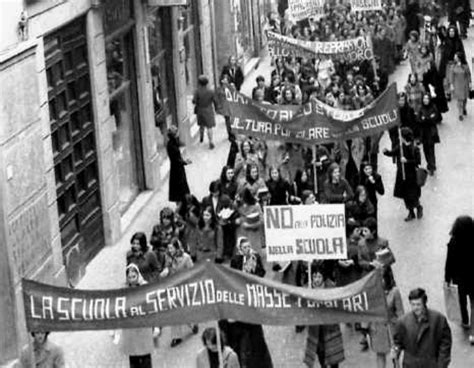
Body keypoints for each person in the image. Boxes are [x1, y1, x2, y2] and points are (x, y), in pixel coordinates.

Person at [223, 237, 272, 368]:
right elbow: (233, 275)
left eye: (248, 247)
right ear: (240, 249)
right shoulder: (236, 260)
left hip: (253, 291)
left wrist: (254, 272)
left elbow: (262, 272)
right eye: (244, 247)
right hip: (242, 291)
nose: (247, 250)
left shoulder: (255, 257)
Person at [392, 288, 452, 367]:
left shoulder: (438, 319)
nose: (415, 308)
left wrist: (441, 364)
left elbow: (445, 344)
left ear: (424, 303)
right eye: (413, 304)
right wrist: (395, 350)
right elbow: (398, 342)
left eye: (418, 304)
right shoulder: (403, 322)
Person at [114, 264, 154, 368]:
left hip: (144, 327)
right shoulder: (123, 289)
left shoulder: (145, 286)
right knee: (133, 358)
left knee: (145, 357)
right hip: (130, 330)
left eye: (134, 276)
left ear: (138, 275)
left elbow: (151, 304)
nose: (132, 279)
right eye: (129, 277)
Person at [303, 266, 345, 368]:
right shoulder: (306, 290)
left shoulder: (331, 288)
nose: (316, 280)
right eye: (314, 277)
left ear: (323, 277)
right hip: (316, 330)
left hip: (330, 329)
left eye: (319, 276)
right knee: (321, 357)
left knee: (334, 360)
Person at [161, 238, 198, 347]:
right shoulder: (167, 257)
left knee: (184, 310)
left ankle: (192, 323)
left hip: (184, 287)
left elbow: (192, 272)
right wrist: (165, 272)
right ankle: (176, 336)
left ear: (177, 247)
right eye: (169, 248)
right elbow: (166, 268)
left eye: (172, 248)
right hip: (172, 287)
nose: (170, 250)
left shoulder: (186, 258)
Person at [444, 215, 474, 344]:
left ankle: (465, 321)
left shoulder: (453, 242)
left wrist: (447, 278)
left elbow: (449, 262)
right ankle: (473, 332)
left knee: (461, 301)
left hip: (459, 279)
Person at [383, 127, 422, 222]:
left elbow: (417, 161)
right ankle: (411, 212)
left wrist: (407, 161)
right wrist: (386, 152)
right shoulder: (400, 147)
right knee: (405, 195)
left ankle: (418, 207)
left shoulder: (414, 148)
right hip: (402, 175)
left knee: (412, 195)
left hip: (411, 176)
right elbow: (393, 153)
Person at [369, 268, 404, 368]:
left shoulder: (394, 292)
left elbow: (400, 313)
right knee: (380, 355)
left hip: (392, 329)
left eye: (382, 278)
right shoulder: (372, 291)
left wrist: (401, 330)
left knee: (395, 357)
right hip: (377, 329)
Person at [166, 125, 191, 205]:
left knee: (180, 189)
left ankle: (181, 203)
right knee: (180, 190)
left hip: (177, 169)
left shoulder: (173, 143)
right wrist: (185, 162)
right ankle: (180, 206)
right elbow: (176, 159)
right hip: (176, 170)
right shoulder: (171, 145)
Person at [417, 92, 441, 176]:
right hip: (423, 133)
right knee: (425, 149)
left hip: (431, 132)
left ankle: (432, 166)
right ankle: (429, 163)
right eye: (424, 99)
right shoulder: (421, 108)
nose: (425, 100)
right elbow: (419, 119)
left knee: (431, 149)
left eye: (427, 99)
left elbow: (435, 117)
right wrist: (427, 119)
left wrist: (426, 119)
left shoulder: (433, 107)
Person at [193, 75, 217, 149]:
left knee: (201, 125)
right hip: (208, 110)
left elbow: (194, 101)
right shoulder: (211, 91)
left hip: (200, 110)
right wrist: (216, 109)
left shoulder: (197, 91)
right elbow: (215, 101)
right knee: (209, 127)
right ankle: (211, 141)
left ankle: (201, 137)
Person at [448, 51, 471, 121]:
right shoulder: (453, 66)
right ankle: (460, 113)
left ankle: (464, 108)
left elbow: (468, 74)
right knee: (459, 100)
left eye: (456, 57)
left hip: (465, 84)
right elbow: (451, 75)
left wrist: (470, 83)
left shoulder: (465, 66)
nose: (455, 58)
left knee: (464, 99)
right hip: (457, 85)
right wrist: (451, 84)